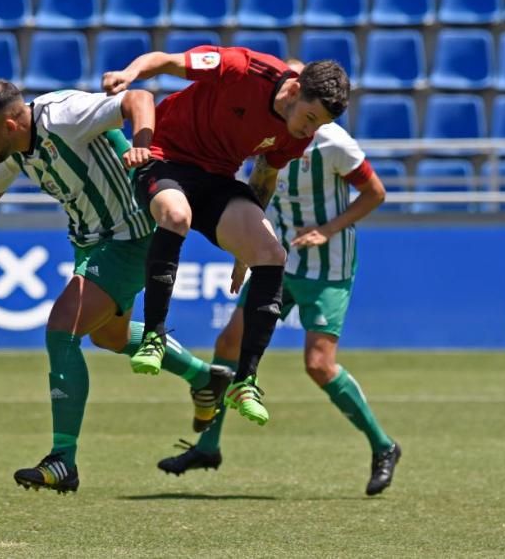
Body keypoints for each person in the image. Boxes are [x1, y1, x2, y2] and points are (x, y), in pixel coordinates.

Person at [0, 79, 233, 494]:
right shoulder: (14, 146)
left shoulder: (63, 115)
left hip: (131, 236)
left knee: (62, 329)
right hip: (91, 242)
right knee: (110, 337)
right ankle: (205, 378)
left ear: (8, 124)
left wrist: (143, 146)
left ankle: (63, 460)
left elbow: (139, 98)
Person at [157, 59, 402, 496]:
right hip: (278, 260)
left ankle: (384, 446)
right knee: (228, 343)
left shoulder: (331, 142)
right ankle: (209, 446)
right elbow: (258, 191)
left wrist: (327, 231)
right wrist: (244, 250)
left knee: (318, 365)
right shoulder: (269, 131)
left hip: (327, 268)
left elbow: (375, 192)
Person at [102, 47, 349, 426]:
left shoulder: (297, 135)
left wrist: (242, 252)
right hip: (166, 156)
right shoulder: (243, 68)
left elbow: (264, 176)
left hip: (218, 179)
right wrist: (129, 72)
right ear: (296, 89)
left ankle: (245, 381)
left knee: (271, 253)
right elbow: (166, 61)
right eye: (310, 117)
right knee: (176, 214)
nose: (309, 131)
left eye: (319, 125)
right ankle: (153, 337)